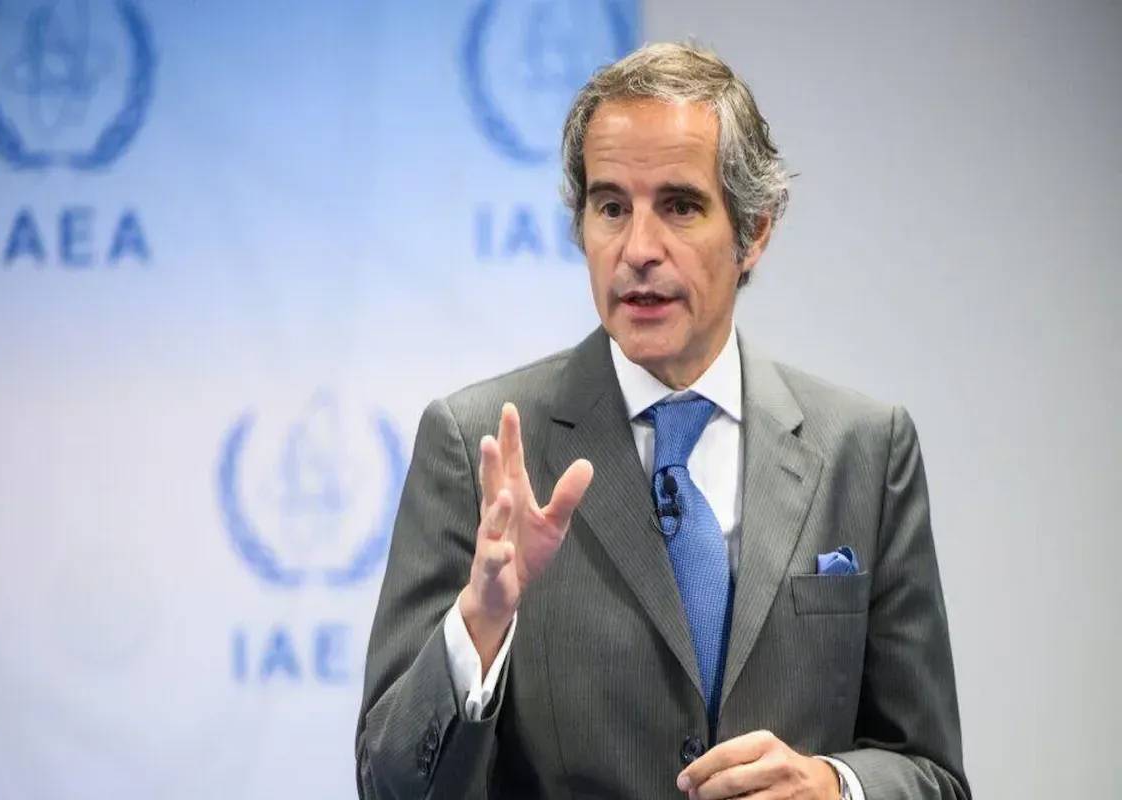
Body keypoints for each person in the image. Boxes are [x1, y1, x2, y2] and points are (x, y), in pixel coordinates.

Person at [355, 41, 970, 800]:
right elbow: (387, 783)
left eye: (679, 206)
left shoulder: (866, 453)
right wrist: (479, 625)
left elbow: (934, 775)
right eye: (611, 207)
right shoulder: (476, 443)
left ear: (755, 230)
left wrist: (835, 787)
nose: (638, 250)